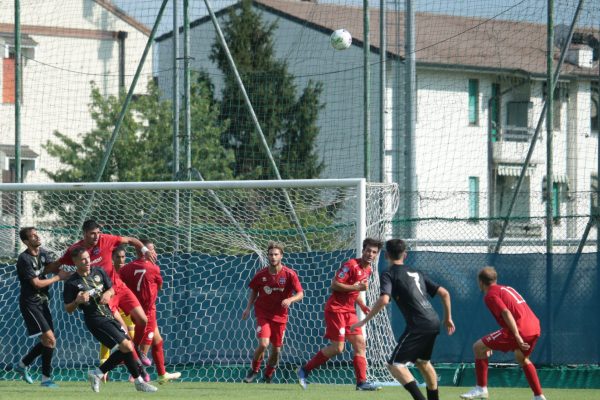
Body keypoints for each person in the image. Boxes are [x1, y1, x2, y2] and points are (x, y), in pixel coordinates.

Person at [351, 239, 455, 400]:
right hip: (433, 320)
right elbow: (445, 293)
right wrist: (448, 318)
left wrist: (363, 321)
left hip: (418, 324)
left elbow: (384, 300)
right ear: (405, 255)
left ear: (385, 255)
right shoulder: (417, 272)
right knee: (422, 362)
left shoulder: (389, 273)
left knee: (394, 365)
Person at [49, 219, 153, 368]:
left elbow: (130, 239)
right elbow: (58, 264)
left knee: (143, 320)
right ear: (84, 234)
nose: (97, 236)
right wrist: (49, 273)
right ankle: (136, 365)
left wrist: (145, 250)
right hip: (104, 295)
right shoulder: (75, 250)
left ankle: (136, 352)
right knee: (124, 331)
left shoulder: (106, 239)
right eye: (92, 234)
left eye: (98, 233)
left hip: (118, 288)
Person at [63, 246, 158, 393]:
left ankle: (106, 376)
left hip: (109, 315)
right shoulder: (71, 283)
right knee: (126, 346)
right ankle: (108, 375)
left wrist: (108, 293)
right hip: (95, 320)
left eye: (88, 258)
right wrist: (77, 301)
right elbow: (68, 309)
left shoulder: (99, 271)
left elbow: (112, 288)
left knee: (127, 347)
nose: (87, 261)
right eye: (83, 259)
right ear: (75, 262)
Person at [297, 238, 383, 391]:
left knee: (360, 343)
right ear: (363, 250)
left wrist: (362, 305)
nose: (370, 254)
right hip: (336, 310)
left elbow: (356, 290)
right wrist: (356, 287)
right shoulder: (351, 265)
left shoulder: (368, 269)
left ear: (377, 255)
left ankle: (361, 382)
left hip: (349, 311)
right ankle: (305, 370)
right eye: (368, 250)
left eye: (374, 252)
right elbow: (334, 285)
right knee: (338, 348)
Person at [460, 266, 545, 400]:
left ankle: (481, 388)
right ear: (495, 279)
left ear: (480, 282)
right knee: (521, 358)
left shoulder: (490, 295)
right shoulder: (507, 288)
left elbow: (506, 312)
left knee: (478, 347)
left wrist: (517, 336)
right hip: (534, 326)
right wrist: (491, 344)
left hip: (519, 329)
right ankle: (539, 396)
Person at [14, 227, 71, 388]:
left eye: (36, 233)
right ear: (26, 242)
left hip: (42, 301)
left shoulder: (43, 253)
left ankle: (23, 364)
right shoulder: (24, 259)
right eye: (32, 236)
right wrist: (59, 277)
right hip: (30, 303)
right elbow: (37, 283)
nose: (37, 236)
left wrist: (68, 265)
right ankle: (46, 379)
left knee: (49, 341)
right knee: (50, 339)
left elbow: (51, 267)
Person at [119, 240, 182, 384]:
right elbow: (159, 286)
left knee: (158, 340)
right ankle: (135, 375)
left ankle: (162, 374)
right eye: (152, 250)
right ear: (144, 252)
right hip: (147, 311)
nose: (155, 253)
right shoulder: (154, 268)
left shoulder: (126, 268)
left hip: (133, 310)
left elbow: (120, 286)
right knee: (144, 346)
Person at [241, 242, 304, 384]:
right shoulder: (261, 274)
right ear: (267, 256)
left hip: (280, 316)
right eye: (271, 254)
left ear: (281, 256)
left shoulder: (289, 274)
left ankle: (268, 374)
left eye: (276, 254)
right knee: (263, 344)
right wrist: (248, 308)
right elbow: (254, 291)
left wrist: (290, 299)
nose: (273, 257)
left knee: (276, 350)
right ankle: (254, 370)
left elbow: (300, 293)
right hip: (263, 313)